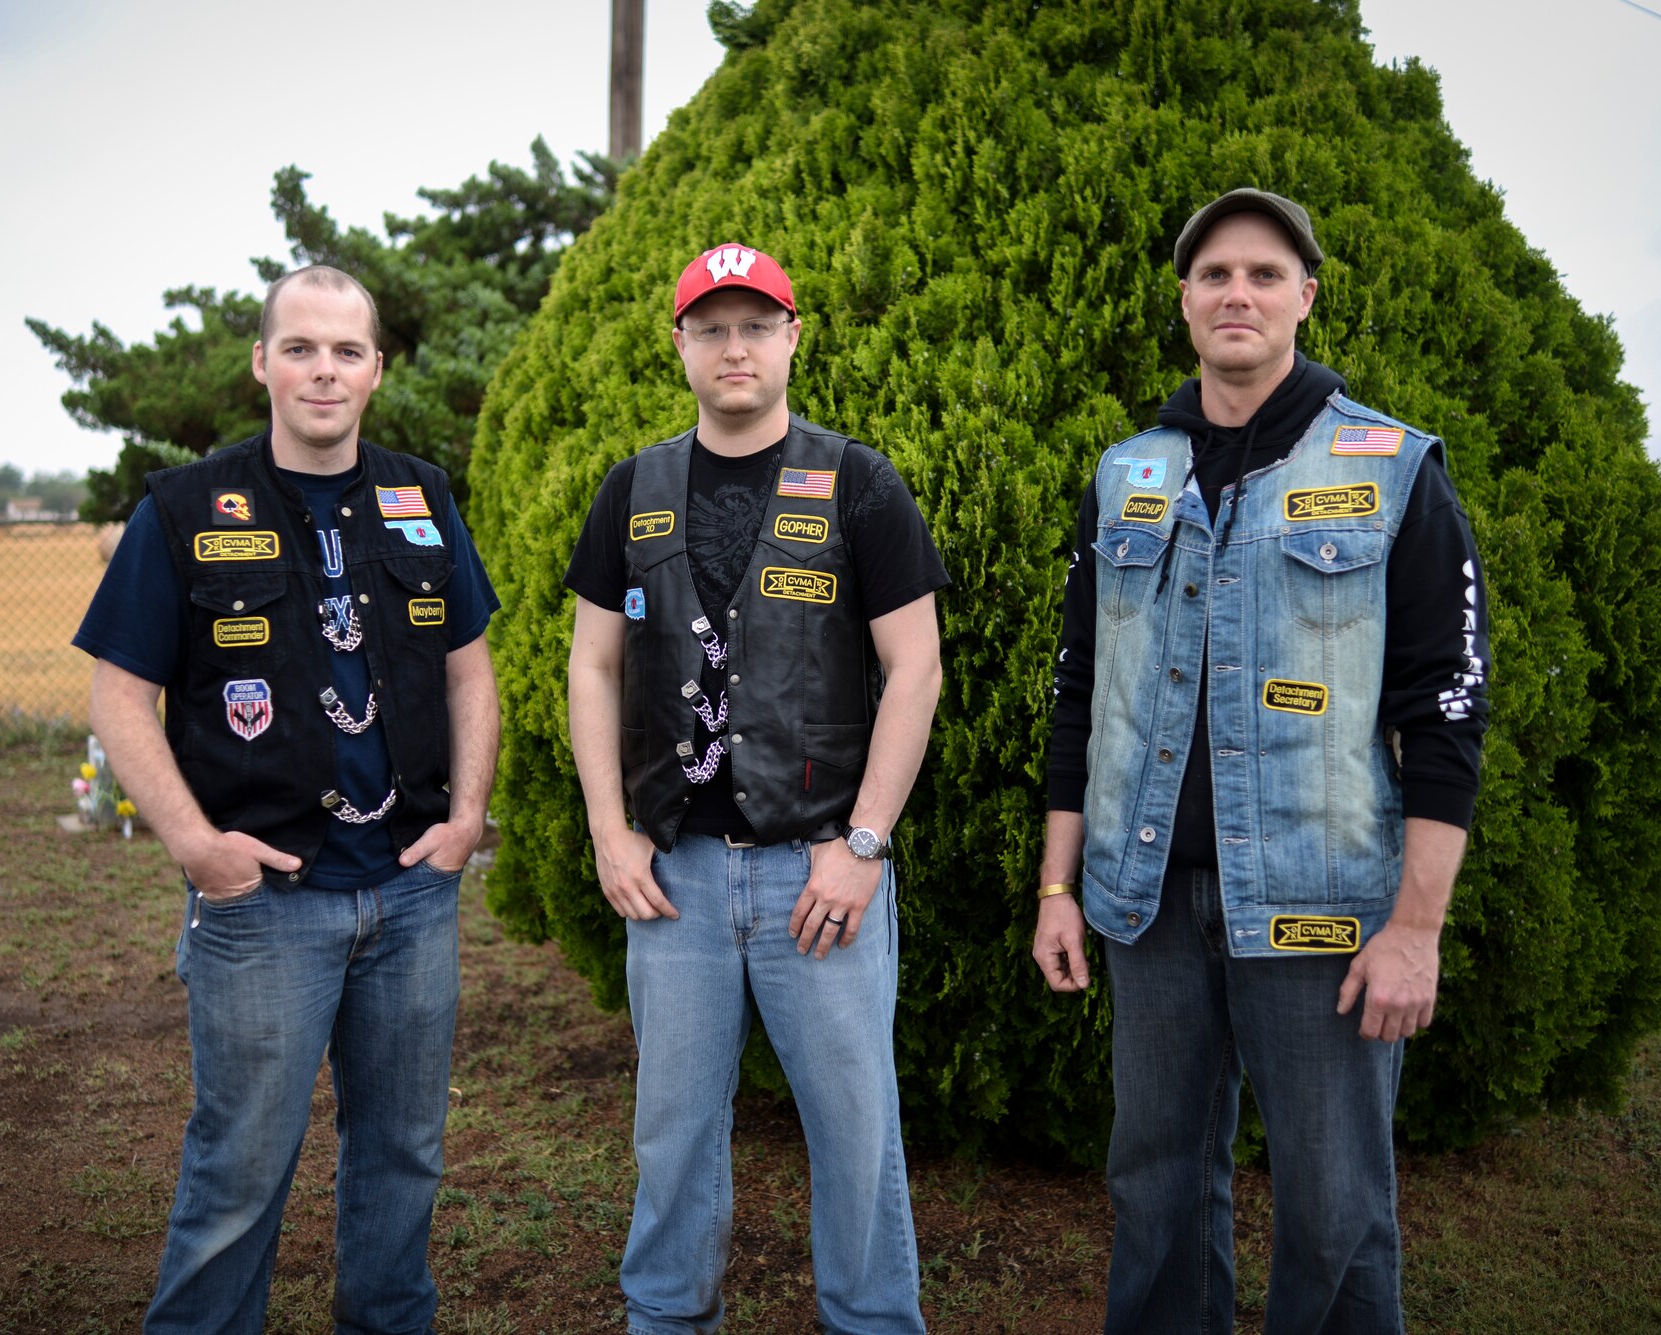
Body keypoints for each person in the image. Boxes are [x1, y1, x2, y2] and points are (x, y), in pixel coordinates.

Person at [1030, 190, 1490, 1334]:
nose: (1236, 293)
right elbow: (1079, 687)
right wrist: (1056, 885)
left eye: (1263, 274)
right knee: (1153, 1187)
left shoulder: (1389, 467)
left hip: (1321, 911)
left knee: (1336, 1210)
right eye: (1213, 275)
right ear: (1184, 302)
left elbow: (1445, 711)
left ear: (1303, 299)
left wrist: (1414, 930)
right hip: (1146, 904)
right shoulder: (1127, 472)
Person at [74, 264, 501, 1333]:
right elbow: (119, 694)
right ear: (261, 362)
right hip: (261, 903)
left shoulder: (422, 495)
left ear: (376, 372)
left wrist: (465, 820)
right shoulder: (181, 508)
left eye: (346, 351)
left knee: (403, 1158)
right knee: (239, 1175)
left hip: (409, 894)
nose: (323, 370)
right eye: (300, 348)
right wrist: (192, 844)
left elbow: (469, 669)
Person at [563, 243, 949, 1334]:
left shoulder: (857, 482)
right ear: (680, 346)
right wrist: (608, 830)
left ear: (792, 337)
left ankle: (873, 1323)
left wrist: (862, 843)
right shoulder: (630, 490)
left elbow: (912, 668)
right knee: (671, 1136)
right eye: (709, 328)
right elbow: (591, 666)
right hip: (674, 879)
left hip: (815, 875)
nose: (732, 347)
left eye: (753, 324)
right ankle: (667, 1320)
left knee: (854, 1132)